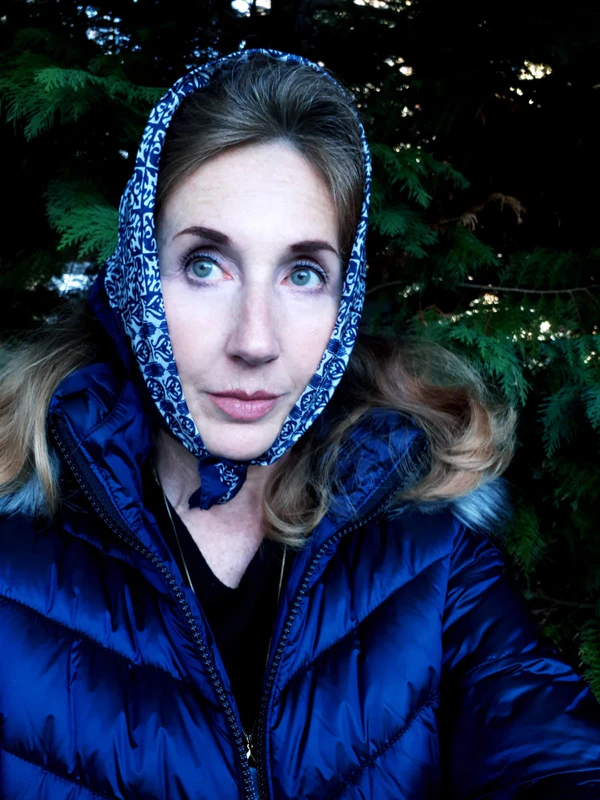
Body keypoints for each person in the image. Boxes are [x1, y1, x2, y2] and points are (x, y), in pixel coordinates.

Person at [0, 48, 599, 800]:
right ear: (135, 276)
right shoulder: (13, 550)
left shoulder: (427, 545)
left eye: (304, 273)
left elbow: (548, 751)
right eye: (205, 264)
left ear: (345, 302)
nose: (255, 341)